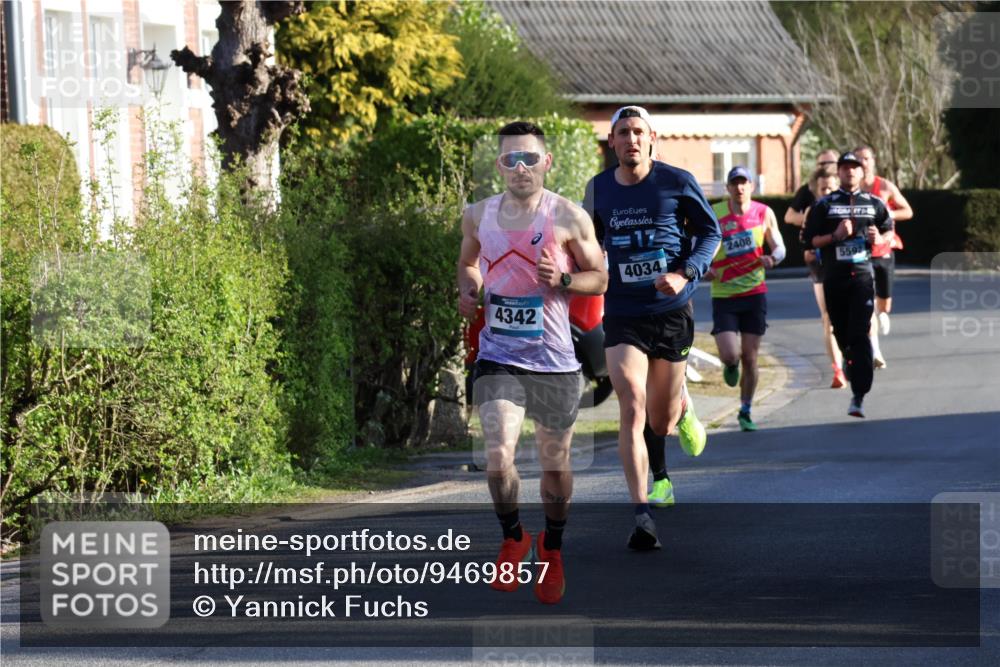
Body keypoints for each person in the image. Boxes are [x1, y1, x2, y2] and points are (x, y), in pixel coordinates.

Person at [457, 121, 607, 604]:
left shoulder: (569, 216)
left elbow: (600, 278)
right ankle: (514, 535)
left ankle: (553, 548)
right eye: (509, 160)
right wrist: (468, 288)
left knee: (554, 465)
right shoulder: (477, 215)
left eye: (529, 159)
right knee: (498, 457)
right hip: (499, 356)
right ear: (499, 165)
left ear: (547, 162)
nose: (520, 168)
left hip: (555, 360)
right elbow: (468, 263)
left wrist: (564, 278)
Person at [584, 105, 721, 550]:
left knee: (659, 422)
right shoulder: (598, 189)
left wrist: (687, 272)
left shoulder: (677, 181)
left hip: (671, 311)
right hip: (622, 311)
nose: (631, 139)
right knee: (632, 403)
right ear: (612, 142)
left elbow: (710, 233)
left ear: (652, 138)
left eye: (638, 131)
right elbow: (587, 243)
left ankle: (681, 404)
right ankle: (641, 513)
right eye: (622, 132)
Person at [802, 151, 892, 418]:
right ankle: (852, 368)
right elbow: (808, 241)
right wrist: (835, 236)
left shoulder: (874, 203)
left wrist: (880, 238)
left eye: (855, 168)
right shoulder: (824, 205)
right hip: (834, 278)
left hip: (863, 277)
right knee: (841, 333)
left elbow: (889, 229)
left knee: (860, 332)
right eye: (845, 168)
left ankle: (859, 393)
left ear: (862, 172)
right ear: (838, 172)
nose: (850, 172)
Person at [705, 166, 785, 431]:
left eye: (744, 183)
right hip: (725, 293)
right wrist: (705, 267)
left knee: (751, 357)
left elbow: (780, 246)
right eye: (734, 183)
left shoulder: (764, 213)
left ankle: (746, 410)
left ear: (751, 186)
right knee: (730, 354)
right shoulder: (715, 213)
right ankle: (730, 365)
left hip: (754, 293)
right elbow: (703, 245)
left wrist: (772, 258)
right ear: (727, 188)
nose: (739, 188)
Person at [856, 145, 914, 368]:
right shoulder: (853, 191)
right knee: (867, 302)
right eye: (859, 159)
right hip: (862, 253)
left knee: (884, 303)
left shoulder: (886, 186)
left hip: (885, 250)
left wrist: (888, 213)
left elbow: (908, 211)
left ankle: (883, 313)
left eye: (866, 158)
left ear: (873, 161)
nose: (863, 163)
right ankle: (875, 350)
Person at [789, 165, 847, 389]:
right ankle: (838, 370)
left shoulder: (848, 207)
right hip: (822, 268)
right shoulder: (813, 212)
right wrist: (810, 250)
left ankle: (857, 351)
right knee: (828, 319)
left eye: (832, 188)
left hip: (848, 267)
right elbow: (805, 243)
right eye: (823, 189)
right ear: (816, 191)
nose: (828, 193)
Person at [784, 149, 839, 228]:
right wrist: (812, 217)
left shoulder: (848, 187)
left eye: (831, 163)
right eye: (822, 163)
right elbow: (789, 217)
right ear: (817, 166)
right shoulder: (807, 189)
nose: (827, 166)